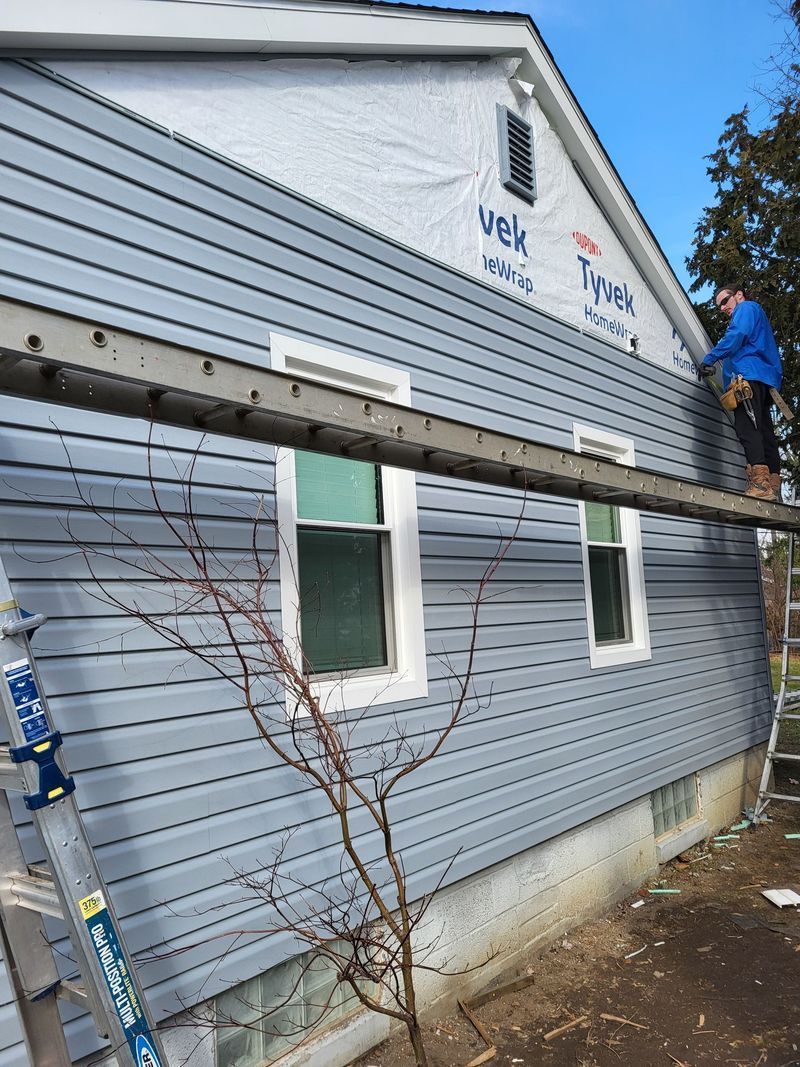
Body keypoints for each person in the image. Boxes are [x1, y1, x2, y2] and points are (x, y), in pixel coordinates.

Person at [699, 284, 782, 501]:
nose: (722, 308)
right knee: (763, 429)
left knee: (747, 427)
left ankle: (760, 484)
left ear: (738, 295)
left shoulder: (746, 309)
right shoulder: (756, 314)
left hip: (747, 375)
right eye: (719, 306)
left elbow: (737, 334)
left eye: (724, 301)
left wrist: (709, 359)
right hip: (762, 379)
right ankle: (773, 483)